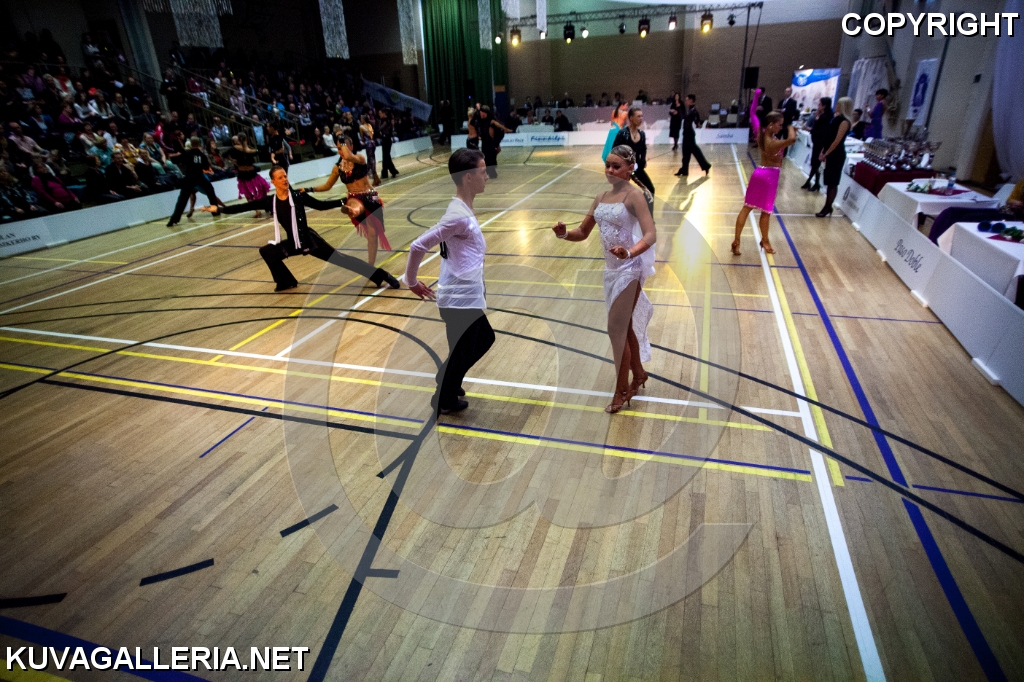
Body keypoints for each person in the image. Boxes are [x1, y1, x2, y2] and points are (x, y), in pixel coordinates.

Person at [551, 144, 657, 413]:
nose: (609, 170)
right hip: (610, 271)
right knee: (624, 326)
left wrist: (629, 252)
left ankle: (621, 390)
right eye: (607, 165)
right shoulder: (600, 197)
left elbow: (650, 234)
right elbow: (583, 232)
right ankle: (639, 374)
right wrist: (564, 234)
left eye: (615, 166)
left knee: (616, 329)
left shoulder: (635, 196)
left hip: (630, 268)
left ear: (630, 168)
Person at [200, 165, 401, 292]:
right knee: (267, 251)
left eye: (285, 176)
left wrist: (345, 200)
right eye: (280, 178)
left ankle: (382, 276)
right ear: (273, 182)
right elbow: (244, 207)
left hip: (309, 241)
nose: (285, 179)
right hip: (293, 243)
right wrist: (218, 208)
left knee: (342, 259)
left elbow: (321, 205)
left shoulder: (298, 196)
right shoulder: (270, 201)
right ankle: (286, 282)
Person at [405, 149, 493, 415]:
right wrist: (411, 281)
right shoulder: (458, 216)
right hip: (459, 299)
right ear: (468, 177)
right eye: (482, 171)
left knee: (468, 346)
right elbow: (418, 245)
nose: (487, 176)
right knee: (480, 341)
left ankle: (449, 380)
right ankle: (443, 397)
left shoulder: (461, 209)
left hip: (462, 295)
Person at [305, 133, 392, 270]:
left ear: (351, 146)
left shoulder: (359, 159)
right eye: (338, 148)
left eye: (343, 147)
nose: (341, 151)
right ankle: (352, 211)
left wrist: (341, 140)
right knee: (355, 205)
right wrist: (309, 189)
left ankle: (371, 265)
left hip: (370, 197)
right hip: (354, 198)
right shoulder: (337, 168)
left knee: (373, 235)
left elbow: (348, 156)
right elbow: (327, 186)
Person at [731, 93, 796, 256]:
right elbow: (792, 139)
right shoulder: (772, 143)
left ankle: (736, 241)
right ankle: (765, 241)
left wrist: (756, 96)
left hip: (759, 173)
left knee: (747, 208)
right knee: (766, 212)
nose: (781, 127)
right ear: (772, 124)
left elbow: (753, 113)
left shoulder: (761, 133)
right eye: (779, 125)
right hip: (769, 177)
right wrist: (790, 126)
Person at [167, 137, 226, 226]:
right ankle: (215, 212)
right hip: (199, 176)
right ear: (199, 144)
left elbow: (175, 161)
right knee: (210, 192)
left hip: (189, 177)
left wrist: (174, 156)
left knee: (182, 199)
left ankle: (174, 219)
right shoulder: (202, 155)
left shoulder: (186, 153)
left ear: (191, 144)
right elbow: (206, 168)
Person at [816, 97, 853, 218]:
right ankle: (827, 205)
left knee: (833, 182)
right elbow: (828, 138)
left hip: (836, 155)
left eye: (838, 104)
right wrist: (823, 151)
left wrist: (826, 153)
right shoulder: (835, 119)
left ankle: (828, 206)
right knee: (829, 181)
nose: (836, 105)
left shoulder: (844, 122)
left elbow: (837, 141)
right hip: (829, 152)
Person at [613, 107, 654, 195]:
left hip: (636, 167)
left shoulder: (642, 134)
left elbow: (643, 149)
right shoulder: (623, 133)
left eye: (642, 116)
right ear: (631, 118)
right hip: (624, 168)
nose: (641, 119)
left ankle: (645, 205)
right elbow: (614, 150)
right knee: (621, 193)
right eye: (638, 116)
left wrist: (643, 160)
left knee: (650, 189)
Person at [675, 94, 711, 178]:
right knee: (687, 153)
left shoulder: (693, 111)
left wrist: (679, 108)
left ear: (691, 101)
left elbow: (684, 117)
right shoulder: (692, 110)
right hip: (687, 134)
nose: (686, 101)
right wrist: (698, 122)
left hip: (689, 135)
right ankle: (684, 170)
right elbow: (696, 120)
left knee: (694, 152)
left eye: (687, 100)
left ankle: (705, 166)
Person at [800, 97, 832, 192]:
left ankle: (810, 181)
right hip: (818, 142)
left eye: (819, 104)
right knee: (815, 164)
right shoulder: (825, 116)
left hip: (819, 143)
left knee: (815, 163)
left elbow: (820, 132)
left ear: (824, 106)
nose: (818, 106)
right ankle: (815, 183)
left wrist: (809, 129)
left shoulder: (825, 117)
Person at [469, 106, 510, 178]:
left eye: (482, 112)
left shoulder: (491, 120)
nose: (480, 113)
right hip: (484, 141)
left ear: (485, 113)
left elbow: (499, 127)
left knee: (491, 156)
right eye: (480, 112)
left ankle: (491, 171)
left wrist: (506, 130)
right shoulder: (480, 119)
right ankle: (489, 171)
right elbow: (472, 122)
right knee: (485, 156)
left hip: (490, 142)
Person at [358, 114, 381, 186]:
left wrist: (363, 141)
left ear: (363, 119)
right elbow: (372, 134)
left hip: (368, 145)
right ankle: (368, 178)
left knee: (371, 161)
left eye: (361, 118)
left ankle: (375, 178)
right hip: (373, 143)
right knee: (371, 160)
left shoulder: (361, 127)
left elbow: (362, 138)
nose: (360, 120)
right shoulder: (370, 125)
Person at [377, 110, 400, 179]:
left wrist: (378, 131)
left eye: (380, 113)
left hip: (387, 139)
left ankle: (388, 173)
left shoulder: (386, 121)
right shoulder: (386, 120)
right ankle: (390, 172)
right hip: (386, 139)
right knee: (386, 157)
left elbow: (380, 129)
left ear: (384, 113)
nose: (379, 114)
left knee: (386, 157)